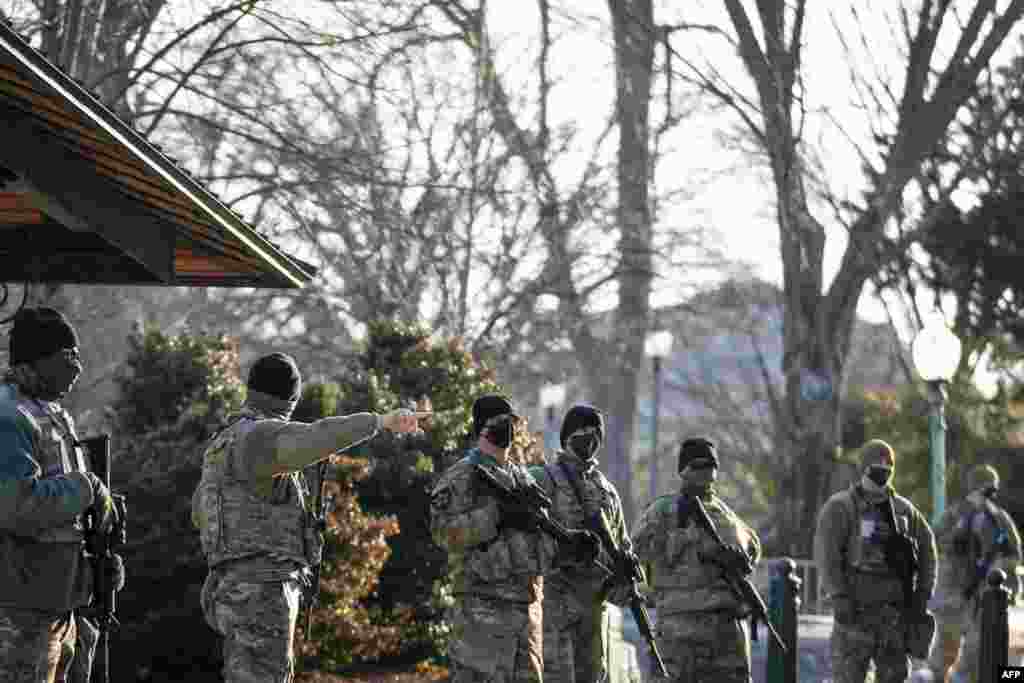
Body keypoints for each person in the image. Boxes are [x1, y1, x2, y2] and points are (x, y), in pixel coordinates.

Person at [191, 352, 421, 683]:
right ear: (291, 398)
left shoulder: (222, 443)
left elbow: (200, 513)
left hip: (231, 585)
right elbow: (317, 437)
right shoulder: (260, 437)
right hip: (262, 588)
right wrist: (380, 421)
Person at [430, 394, 598, 683]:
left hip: (527, 612)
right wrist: (495, 515)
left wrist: (569, 545)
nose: (508, 428)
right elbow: (443, 533)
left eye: (512, 422)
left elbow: (539, 542)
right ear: (482, 427)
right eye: (500, 422)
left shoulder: (523, 479)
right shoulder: (462, 477)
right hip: (482, 615)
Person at [0, 307, 122, 683]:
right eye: (68, 355)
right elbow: (18, 506)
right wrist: (87, 487)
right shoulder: (10, 418)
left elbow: (68, 517)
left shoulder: (50, 414)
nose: (77, 367)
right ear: (38, 360)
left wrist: (98, 564)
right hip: (19, 607)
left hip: (58, 601)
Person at [631, 437, 762, 682]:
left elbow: (752, 552)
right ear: (683, 470)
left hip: (723, 632)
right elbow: (632, 557)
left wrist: (735, 559)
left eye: (709, 465)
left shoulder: (727, 517)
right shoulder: (661, 512)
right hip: (677, 631)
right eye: (696, 465)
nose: (703, 471)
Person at [814, 439, 938, 683]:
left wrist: (922, 595)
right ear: (863, 467)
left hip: (894, 615)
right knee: (848, 677)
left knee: (894, 677)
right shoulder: (841, 507)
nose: (884, 468)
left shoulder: (905, 510)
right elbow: (827, 555)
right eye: (877, 463)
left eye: (889, 463)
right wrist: (838, 596)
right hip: (855, 612)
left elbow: (928, 553)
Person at [527, 404, 633, 683]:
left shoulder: (606, 489)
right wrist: (565, 551)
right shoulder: (544, 479)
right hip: (555, 605)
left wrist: (625, 567)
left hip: (594, 608)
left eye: (597, 431)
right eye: (583, 430)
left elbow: (621, 542)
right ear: (567, 436)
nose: (591, 437)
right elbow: (526, 540)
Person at [926, 464, 1021, 683]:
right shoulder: (955, 514)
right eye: (987, 487)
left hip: (986, 597)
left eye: (992, 488)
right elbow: (934, 543)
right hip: (953, 594)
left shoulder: (999, 519)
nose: (990, 493)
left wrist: (997, 564)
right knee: (943, 653)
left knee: (981, 653)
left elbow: (1014, 553)